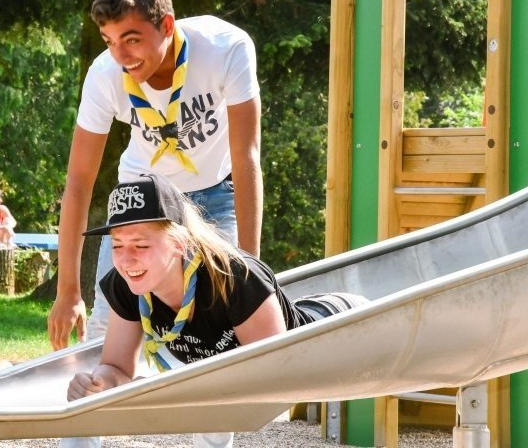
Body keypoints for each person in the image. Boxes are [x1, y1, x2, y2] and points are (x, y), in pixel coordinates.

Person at [49, 0, 264, 354]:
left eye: (131, 39)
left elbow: (246, 156)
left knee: (232, 314)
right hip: (141, 200)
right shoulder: (104, 75)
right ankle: (105, 407)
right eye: (109, 41)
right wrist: (67, 291)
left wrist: (250, 267)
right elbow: (79, 182)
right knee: (107, 326)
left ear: (166, 25)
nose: (121, 55)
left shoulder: (225, 47)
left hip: (214, 193)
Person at [67, 175, 368, 441]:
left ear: (179, 245)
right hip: (246, 363)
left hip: (343, 326)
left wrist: (168, 389)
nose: (126, 260)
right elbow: (117, 368)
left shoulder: (236, 278)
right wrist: (98, 383)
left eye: (140, 246)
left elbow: (273, 374)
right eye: (117, 245)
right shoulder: (125, 286)